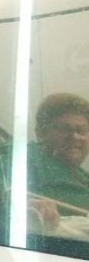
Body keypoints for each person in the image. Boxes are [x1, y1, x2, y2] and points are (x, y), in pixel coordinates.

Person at [28, 93, 89, 224]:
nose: (75, 136)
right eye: (64, 129)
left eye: (82, 130)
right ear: (41, 133)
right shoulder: (27, 156)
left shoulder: (81, 175)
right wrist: (23, 203)